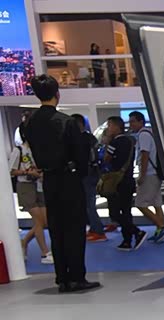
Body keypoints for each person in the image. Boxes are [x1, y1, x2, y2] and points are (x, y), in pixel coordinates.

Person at [25, 75, 99, 292]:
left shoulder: (31, 122)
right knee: (74, 228)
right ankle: (77, 277)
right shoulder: (65, 121)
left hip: (49, 180)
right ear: (57, 94)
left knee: (56, 229)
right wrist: (81, 172)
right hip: (68, 178)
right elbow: (80, 155)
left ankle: (62, 278)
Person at [9, 123, 52, 264]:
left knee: (44, 221)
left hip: (38, 186)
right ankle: (45, 253)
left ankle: (24, 242)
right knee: (38, 221)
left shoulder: (37, 150)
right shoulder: (18, 150)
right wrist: (27, 172)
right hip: (25, 187)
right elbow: (11, 171)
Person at [104, 116, 146, 251]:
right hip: (128, 179)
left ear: (117, 127)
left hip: (116, 182)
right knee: (126, 211)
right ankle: (127, 240)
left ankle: (135, 232)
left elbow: (106, 158)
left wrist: (107, 142)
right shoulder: (130, 140)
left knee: (115, 213)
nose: (108, 128)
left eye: (110, 125)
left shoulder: (114, 142)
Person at [128, 111, 164, 243]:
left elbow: (145, 155)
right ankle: (160, 231)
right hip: (155, 173)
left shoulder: (143, 135)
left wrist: (142, 175)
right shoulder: (150, 133)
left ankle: (161, 226)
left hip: (149, 174)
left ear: (141, 121)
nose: (131, 124)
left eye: (133, 121)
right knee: (157, 203)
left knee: (140, 204)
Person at [72, 114, 106, 242]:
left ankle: (98, 231)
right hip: (92, 173)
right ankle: (94, 228)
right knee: (87, 204)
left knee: (88, 204)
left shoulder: (81, 139)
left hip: (86, 175)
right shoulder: (90, 138)